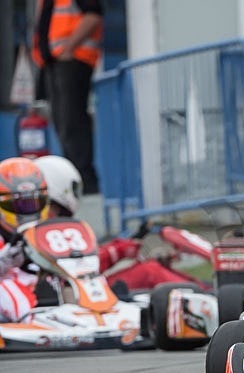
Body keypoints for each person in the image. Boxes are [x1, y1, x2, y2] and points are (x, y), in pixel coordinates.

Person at [35, 155, 206, 290]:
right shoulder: (35, 231)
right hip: (64, 295)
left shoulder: (56, 227)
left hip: (82, 289)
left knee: (151, 266)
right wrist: (119, 249)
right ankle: (205, 296)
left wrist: (126, 247)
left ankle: (203, 290)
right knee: (149, 272)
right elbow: (78, 266)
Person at [32, 0, 103, 194]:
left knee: (72, 123)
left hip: (72, 61)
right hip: (55, 63)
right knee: (63, 125)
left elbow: (93, 16)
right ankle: (72, 183)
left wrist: (69, 49)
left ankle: (84, 184)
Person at [0, 158, 50, 322]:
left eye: (33, 202)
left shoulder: (47, 232)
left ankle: (100, 309)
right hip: (10, 290)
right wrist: (7, 259)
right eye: (19, 204)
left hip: (38, 288)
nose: (27, 211)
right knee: (6, 287)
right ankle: (30, 319)